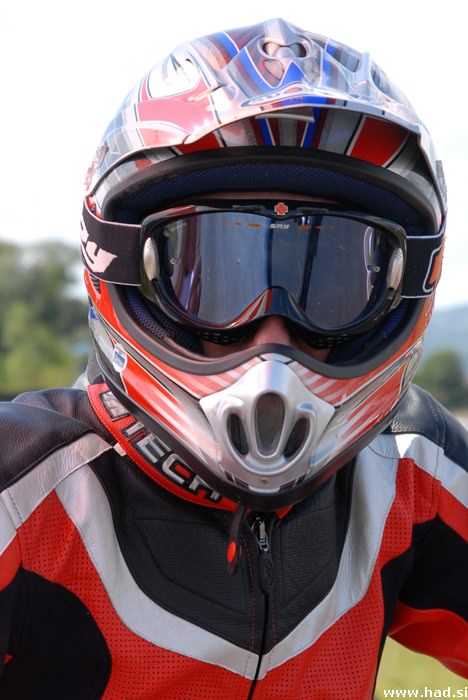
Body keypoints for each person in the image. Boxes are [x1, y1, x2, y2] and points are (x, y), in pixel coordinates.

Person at [0, 17, 466, 699]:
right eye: (213, 276)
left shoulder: (408, 468)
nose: (272, 335)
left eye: (332, 280)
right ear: (128, 270)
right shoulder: (21, 495)